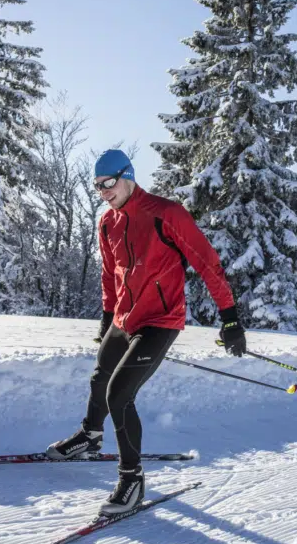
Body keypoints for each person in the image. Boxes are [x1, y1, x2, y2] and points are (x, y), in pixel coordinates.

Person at [45, 149, 246, 516]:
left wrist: (230, 317)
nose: (103, 192)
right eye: (97, 187)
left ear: (127, 176)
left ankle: (131, 479)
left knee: (119, 394)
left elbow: (207, 263)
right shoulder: (107, 223)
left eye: (108, 183)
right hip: (125, 318)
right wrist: (108, 316)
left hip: (160, 321)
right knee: (99, 378)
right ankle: (90, 435)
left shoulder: (166, 214)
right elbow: (111, 274)